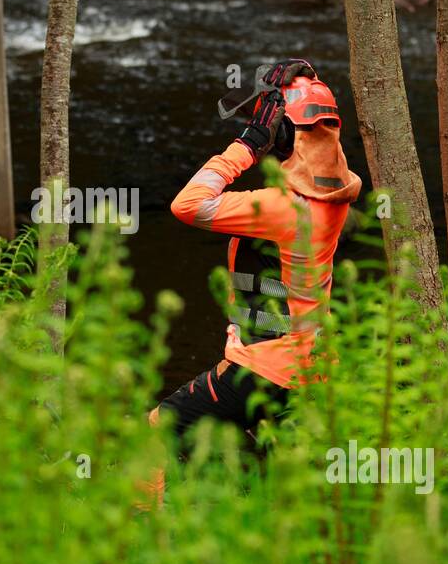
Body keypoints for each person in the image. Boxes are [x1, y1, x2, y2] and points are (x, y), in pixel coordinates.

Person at [142, 59, 362, 504]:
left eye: (271, 129)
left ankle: (144, 526)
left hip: (266, 366)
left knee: (157, 429)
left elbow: (188, 205)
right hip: (312, 364)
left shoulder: (278, 207)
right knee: (288, 477)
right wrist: (306, 81)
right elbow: (317, 129)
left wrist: (247, 144)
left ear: (284, 138)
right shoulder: (331, 198)